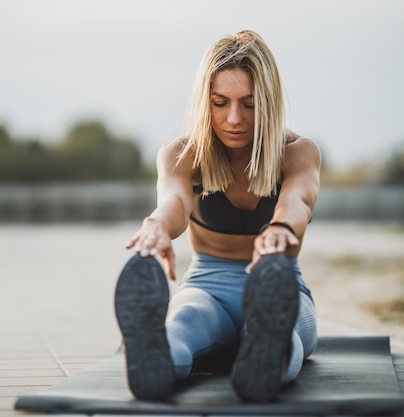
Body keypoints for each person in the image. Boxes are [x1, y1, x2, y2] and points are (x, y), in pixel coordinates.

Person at [114, 29, 321, 403]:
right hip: (207, 288)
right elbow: (174, 201)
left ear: (270, 102)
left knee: (282, 335)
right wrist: (157, 226)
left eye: (250, 104)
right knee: (182, 323)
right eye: (220, 102)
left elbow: (298, 200)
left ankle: (265, 357)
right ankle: (152, 356)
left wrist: (280, 227)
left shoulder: (297, 152)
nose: (234, 118)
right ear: (203, 101)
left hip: (278, 286)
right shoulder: (182, 154)